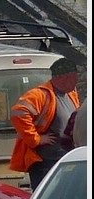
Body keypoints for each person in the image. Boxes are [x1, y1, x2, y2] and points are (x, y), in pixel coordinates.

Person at [10, 57, 81, 189]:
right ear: (60, 77)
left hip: (64, 161)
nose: (76, 81)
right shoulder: (40, 94)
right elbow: (18, 112)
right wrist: (36, 139)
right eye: (73, 77)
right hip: (45, 164)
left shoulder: (71, 94)